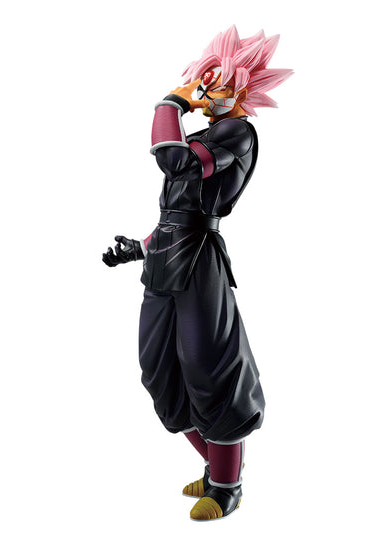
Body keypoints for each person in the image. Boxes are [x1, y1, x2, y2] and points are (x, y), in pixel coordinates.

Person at [103, 25, 292, 520]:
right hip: (165, 259)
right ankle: (216, 468)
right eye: (203, 77)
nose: (205, 88)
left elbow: (176, 164)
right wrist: (139, 249)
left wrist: (170, 103)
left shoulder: (238, 134)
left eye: (217, 79)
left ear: (242, 88)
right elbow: (178, 211)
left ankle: (228, 485)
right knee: (159, 372)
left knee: (212, 372)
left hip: (200, 265)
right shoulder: (205, 135)